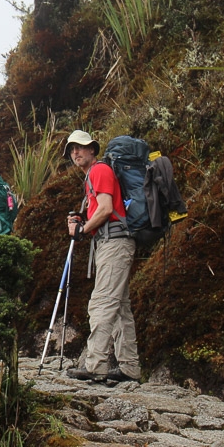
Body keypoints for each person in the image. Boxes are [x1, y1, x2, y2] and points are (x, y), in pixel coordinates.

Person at [63, 130, 141, 384]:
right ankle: (129, 367)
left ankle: (96, 365)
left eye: (81, 147)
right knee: (119, 307)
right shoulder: (92, 177)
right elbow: (104, 209)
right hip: (113, 243)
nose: (76, 152)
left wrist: (83, 229)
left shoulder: (99, 171)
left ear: (93, 150)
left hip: (114, 244)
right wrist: (83, 223)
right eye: (72, 149)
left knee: (102, 303)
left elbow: (107, 209)